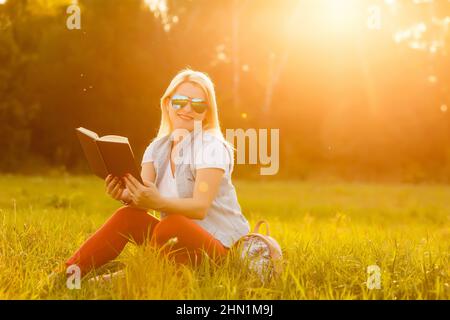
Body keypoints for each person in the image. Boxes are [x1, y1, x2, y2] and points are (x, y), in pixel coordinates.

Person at [64, 68, 250, 278]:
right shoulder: (157, 149)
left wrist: (157, 201)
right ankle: (66, 274)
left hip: (220, 249)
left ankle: (127, 277)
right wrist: (127, 196)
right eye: (180, 101)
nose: (188, 109)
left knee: (171, 225)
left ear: (206, 114)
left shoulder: (211, 147)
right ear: (168, 103)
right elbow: (145, 198)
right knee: (127, 217)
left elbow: (200, 207)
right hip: (174, 242)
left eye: (198, 105)